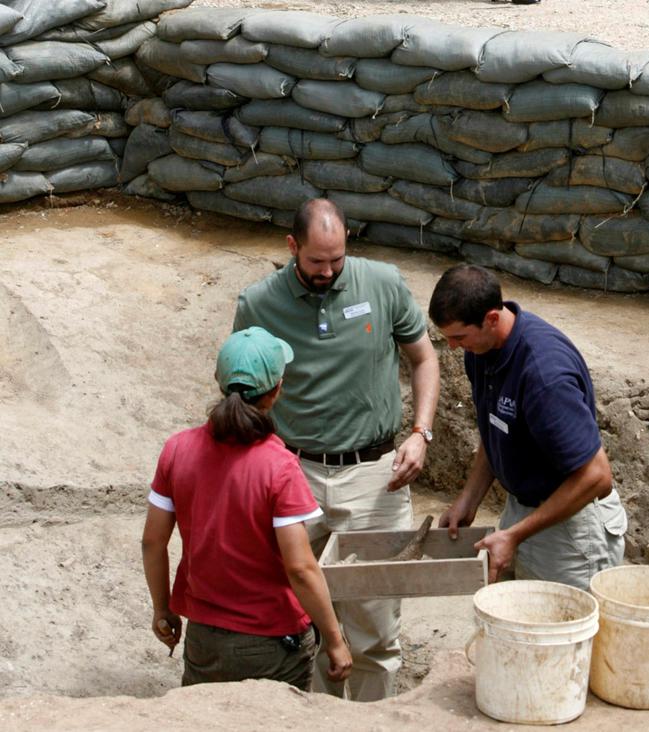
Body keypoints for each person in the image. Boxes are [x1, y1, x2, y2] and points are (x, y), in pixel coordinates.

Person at [232, 198, 440, 701]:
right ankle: (319, 714)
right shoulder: (258, 304)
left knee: (372, 624)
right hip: (293, 473)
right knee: (299, 612)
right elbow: (242, 390)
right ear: (291, 247)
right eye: (315, 262)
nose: (327, 272)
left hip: (376, 476)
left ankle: (371, 716)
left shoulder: (383, 283)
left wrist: (421, 431)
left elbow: (424, 357)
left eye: (336, 260)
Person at [141, 326, 352, 689]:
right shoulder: (279, 465)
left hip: (205, 638)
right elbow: (300, 568)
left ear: (218, 381)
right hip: (272, 641)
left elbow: (152, 542)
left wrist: (163, 609)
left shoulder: (177, 450)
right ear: (276, 391)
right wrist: (335, 640)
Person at [429, 264, 627, 591]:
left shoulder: (544, 378)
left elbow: (596, 475)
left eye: (458, 337)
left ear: (492, 318)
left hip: (572, 528)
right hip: (524, 510)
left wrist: (515, 534)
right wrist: (469, 497)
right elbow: (497, 430)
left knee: (567, 633)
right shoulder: (481, 350)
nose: (452, 347)